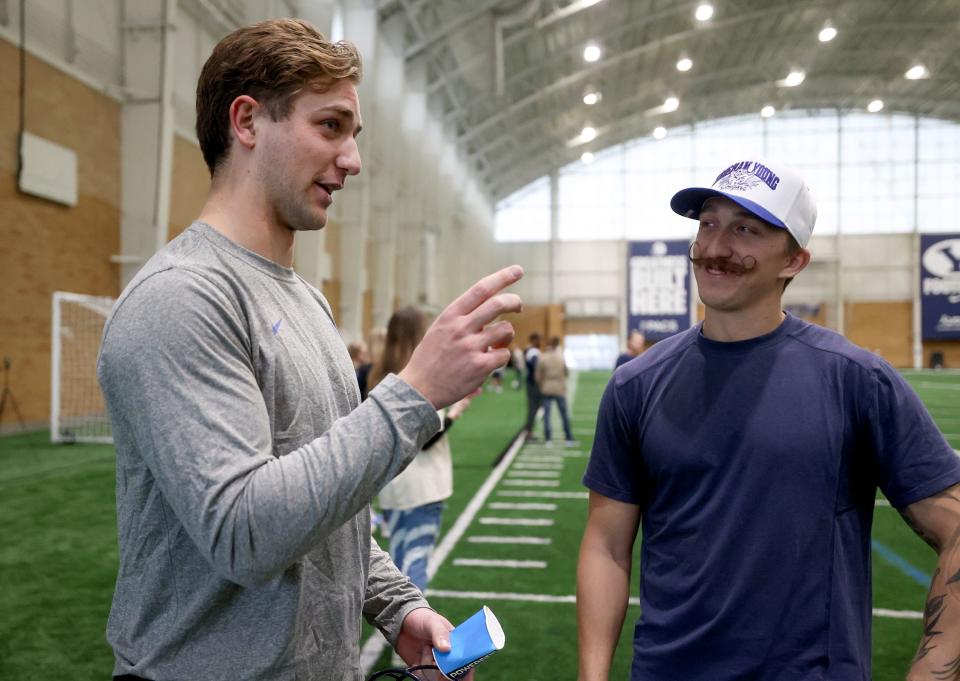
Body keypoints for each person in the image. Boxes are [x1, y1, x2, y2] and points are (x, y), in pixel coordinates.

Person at [96, 19, 522, 681]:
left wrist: (396, 605)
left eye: (354, 135)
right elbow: (244, 532)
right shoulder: (179, 300)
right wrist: (413, 393)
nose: (352, 159)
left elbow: (327, 502)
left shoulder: (307, 302)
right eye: (330, 126)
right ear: (247, 122)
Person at [577, 158, 960, 681]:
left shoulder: (855, 380)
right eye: (708, 223)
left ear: (794, 260)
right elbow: (606, 546)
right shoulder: (636, 385)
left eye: (745, 230)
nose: (715, 248)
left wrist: (936, 670)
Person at [370, 307, 471, 592]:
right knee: (413, 569)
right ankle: (411, 633)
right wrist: (454, 413)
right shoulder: (420, 379)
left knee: (401, 565)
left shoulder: (378, 377)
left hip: (393, 488)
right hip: (421, 488)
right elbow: (427, 439)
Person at [535, 336, 576, 446]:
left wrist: (542, 385)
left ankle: (548, 439)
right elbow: (566, 372)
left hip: (546, 388)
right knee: (564, 414)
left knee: (547, 415)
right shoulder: (561, 358)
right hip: (559, 388)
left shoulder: (543, 357)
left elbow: (537, 376)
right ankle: (569, 438)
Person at [523, 332, 543, 440]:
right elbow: (534, 365)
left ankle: (529, 430)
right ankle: (528, 432)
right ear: (534, 340)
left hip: (532, 382)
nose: (540, 342)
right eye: (538, 339)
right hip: (533, 383)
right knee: (533, 408)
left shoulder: (532, 351)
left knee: (534, 408)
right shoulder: (533, 352)